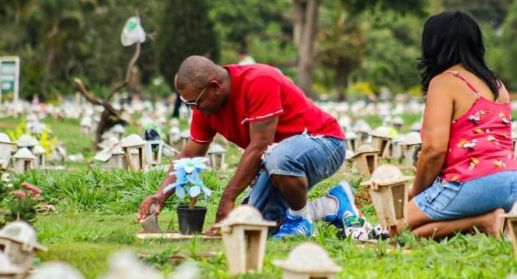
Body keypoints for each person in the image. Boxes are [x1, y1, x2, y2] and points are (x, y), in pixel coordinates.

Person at [137, 55, 360, 238]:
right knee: (254, 226)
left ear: (214, 86)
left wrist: (228, 198)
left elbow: (260, 146)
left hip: (324, 143)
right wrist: (161, 194)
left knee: (277, 156)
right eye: (188, 104)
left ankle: (300, 222)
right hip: (277, 159)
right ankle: (333, 204)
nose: (193, 109)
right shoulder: (205, 109)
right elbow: (189, 154)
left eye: (195, 102)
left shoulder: (259, 81)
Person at [406, 11, 517, 239]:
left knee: (394, 225)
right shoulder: (497, 85)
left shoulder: (445, 82)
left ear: (434, 45)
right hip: (509, 182)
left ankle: (481, 221)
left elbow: (433, 150)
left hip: (472, 183)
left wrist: (416, 196)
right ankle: (485, 220)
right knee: (416, 230)